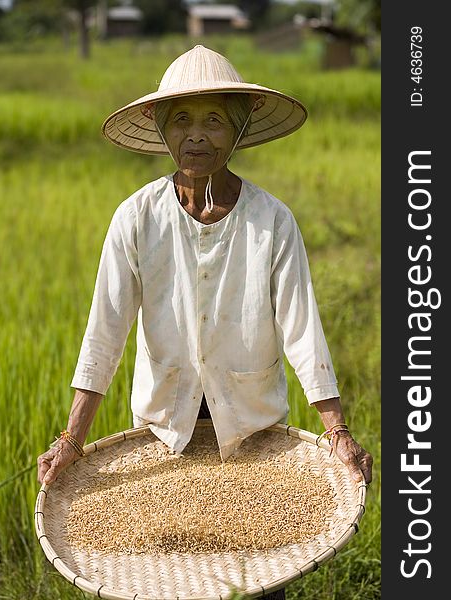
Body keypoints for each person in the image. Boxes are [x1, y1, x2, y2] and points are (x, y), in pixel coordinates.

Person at [37, 45, 372, 600]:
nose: (198, 136)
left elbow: (301, 328)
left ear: (238, 128)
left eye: (215, 120)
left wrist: (335, 431)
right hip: (165, 436)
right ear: (160, 128)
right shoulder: (136, 219)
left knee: (260, 580)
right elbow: (105, 331)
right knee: (165, 582)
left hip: (253, 437)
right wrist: (72, 437)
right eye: (182, 120)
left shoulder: (272, 221)